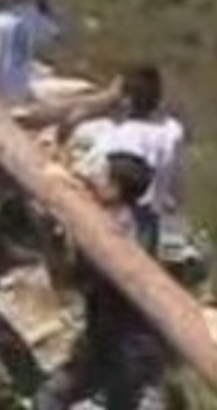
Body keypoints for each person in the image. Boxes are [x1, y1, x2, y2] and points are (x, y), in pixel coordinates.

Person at [35, 151, 165, 410]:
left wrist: (51, 233)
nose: (96, 180)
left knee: (53, 397)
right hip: (130, 335)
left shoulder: (106, 230)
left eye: (103, 176)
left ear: (116, 188)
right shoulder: (147, 220)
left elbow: (72, 277)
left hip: (115, 336)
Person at [69, 65, 187, 260]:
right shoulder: (172, 132)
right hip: (153, 222)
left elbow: (94, 177)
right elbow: (177, 186)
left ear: (126, 101)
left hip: (119, 223)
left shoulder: (117, 138)